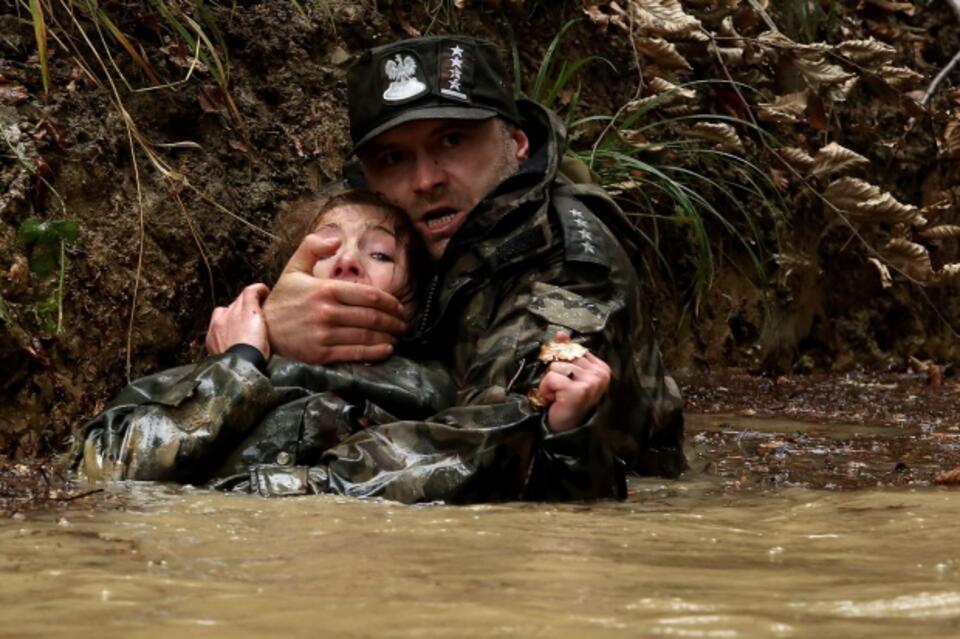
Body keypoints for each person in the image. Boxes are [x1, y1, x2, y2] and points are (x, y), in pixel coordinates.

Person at [207, 35, 687, 501]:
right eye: (394, 158)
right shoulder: (383, 225)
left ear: (517, 142)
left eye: (452, 141)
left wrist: (269, 490)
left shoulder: (567, 266)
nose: (425, 180)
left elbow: (499, 441)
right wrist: (269, 328)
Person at [73, 187, 612, 500]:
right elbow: (98, 472)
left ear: (411, 302)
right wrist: (239, 364)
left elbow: (528, 494)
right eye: (326, 247)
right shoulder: (205, 374)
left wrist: (564, 430)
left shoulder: (447, 390)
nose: (349, 261)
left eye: (380, 255)